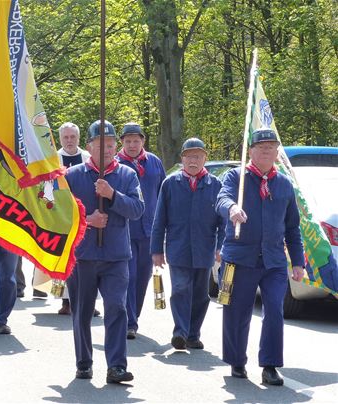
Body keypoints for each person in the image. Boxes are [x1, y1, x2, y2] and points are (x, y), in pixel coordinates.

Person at [215, 128, 304, 386]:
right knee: (236, 311)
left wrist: (297, 262)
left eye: (271, 147)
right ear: (250, 151)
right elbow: (222, 198)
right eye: (261, 147)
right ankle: (236, 360)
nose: (266, 151)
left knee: (275, 311)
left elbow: (292, 227)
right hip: (239, 259)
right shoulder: (237, 177)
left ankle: (270, 365)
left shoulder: (284, 184)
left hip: (274, 261)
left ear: (277, 152)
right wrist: (232, 208)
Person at [65, 119, 144, 384]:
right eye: (100, 145)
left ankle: (117, 366)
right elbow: (59, 215)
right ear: (89, 147)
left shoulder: (127, 175)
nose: (107, 150)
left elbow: (137, 210)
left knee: (116, 308)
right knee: (82, 312)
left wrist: (112, 195)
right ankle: (83, 363)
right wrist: (87, 220)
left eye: (110, 145)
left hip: (116, 257)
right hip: (83, 256)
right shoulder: (73, 175)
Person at [151, 138, 225, 350]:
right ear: (182, 159)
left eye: (198, 156)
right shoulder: (170, 184)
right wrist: (156, 250)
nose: (193, 161)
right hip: (178, 248)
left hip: (204, 249)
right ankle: (180, 332)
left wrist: (221, 246)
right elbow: (159, 219)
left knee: (201, 295)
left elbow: (223, 222)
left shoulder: (215, 185)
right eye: (189, 156)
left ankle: (193, 334)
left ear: (205, 159)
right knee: (181, 289)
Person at [116, 122, 165, 339]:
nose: (132, 145)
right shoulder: (116, 164)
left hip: (150, 230)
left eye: (136, 141)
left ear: (143, 141)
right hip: (124, 229)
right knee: (129, 275)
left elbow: (164, 194)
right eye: (128, 141)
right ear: (122, 142)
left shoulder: (153, 162)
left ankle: (134, 316)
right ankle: (128, 321)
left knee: (143, 277)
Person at [55, 122, 91, 314]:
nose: (69, 141)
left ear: (78, 138)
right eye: (65, 137)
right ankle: (66, 301)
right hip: (62, 215)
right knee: (65, 257)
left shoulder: (88, 157)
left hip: (86, 215)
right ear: (60, 138)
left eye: (72, 137)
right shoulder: (54, 158)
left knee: (87, 258)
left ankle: (88, 300)